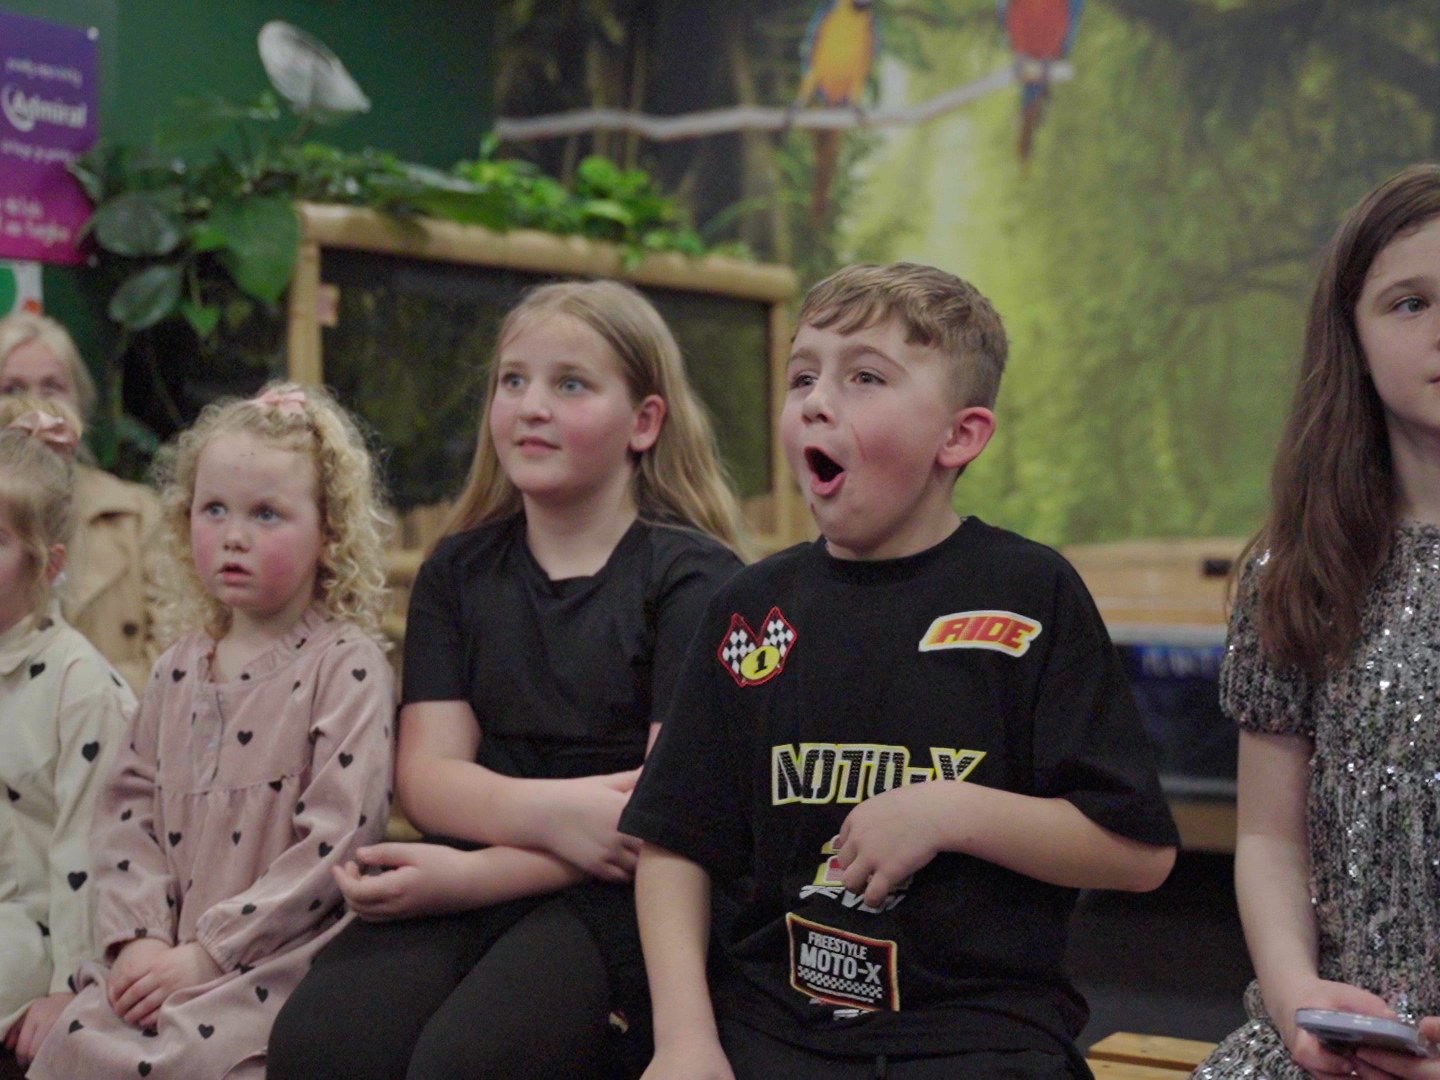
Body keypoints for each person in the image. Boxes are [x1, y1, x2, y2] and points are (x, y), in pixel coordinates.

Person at [620, 262, 1181, 1080]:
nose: (816, 399)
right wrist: (684, 1042)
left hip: (980, 1035)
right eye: (803, 376)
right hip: (772, 1029)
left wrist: (950, 812)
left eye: (865, 378)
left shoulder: (1030, 593)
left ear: (959, 436)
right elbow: (674, 845)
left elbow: (1138, 854)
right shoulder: (750, 609)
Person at [268, 279, 746, 1080]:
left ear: (645, 422)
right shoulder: (459, 569)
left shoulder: (693, 579)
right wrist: (554, 815)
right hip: (474, 865)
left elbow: (666, 814)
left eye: (571, 385)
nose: (531, 406)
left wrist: (478, 873)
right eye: (513, 381)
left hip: (625, 898)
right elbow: (426, 780)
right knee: (322, 1046)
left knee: (470, 1063)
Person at [26, 382, 396, 1080]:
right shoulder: (176, 671)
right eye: (214, 509)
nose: (233, 535)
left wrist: (210, 953)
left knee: (204, 1062)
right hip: (160, 958)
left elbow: (337, 838)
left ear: (331, 535)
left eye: (267, 514)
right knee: (78, 1039)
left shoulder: (346, 666)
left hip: (275, 963)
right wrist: (135, 940)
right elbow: (126, 818)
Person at [1193, 165, 1440, 1080]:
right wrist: (1301, 997)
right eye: (1410, 302)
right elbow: (1268, 838)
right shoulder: (1298, 570)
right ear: (1354, 338)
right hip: (1333, 1041)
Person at [0, 405, 137, 1075]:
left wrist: (67, 992)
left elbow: (90, 849)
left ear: (47, 562)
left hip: (37, 931)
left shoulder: (79, 684)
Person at [0, 313, 163, 692]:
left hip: (123, 731)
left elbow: (180, 651)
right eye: (13, 388)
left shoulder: (139, 514)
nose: (35, 405)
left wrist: (82, 698)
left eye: (53, 387)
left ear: (80, 401)